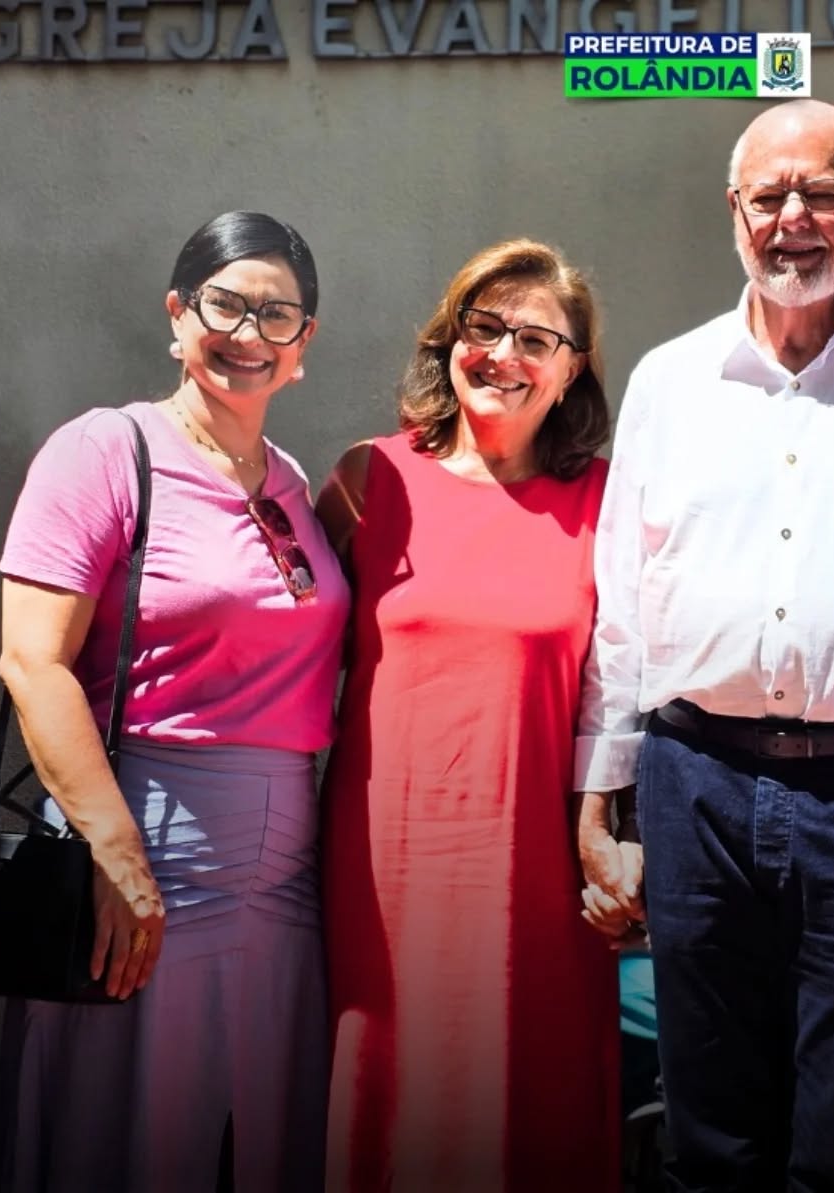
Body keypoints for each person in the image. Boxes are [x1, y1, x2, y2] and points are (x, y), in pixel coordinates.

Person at [575, 99, 834, 1192]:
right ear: (735, 209)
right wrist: (600, 799)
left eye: (821, 192)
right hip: (694, 786)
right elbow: (623, 606)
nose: (793, 219)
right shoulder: (671, 381)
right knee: (709, 1135)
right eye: (769, 196)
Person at [0, 210, 349, 1192]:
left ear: (304, 344)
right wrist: (115, 854)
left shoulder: (290, 482)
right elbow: (32, 662)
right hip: (146, 863)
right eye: (226, 305)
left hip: (285, 890)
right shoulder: (106, 450)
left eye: (277, 315)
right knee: (120, 1146)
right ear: (178, 314)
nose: (248, 334)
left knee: (266, 1150)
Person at [316, 239, 617, 1193]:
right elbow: (292, 656)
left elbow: (627, 694)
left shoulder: (607, 502)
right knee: (389, 1102)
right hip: (384, 870)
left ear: (573, 370)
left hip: (538, 874)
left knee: (527, 1108)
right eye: (484, 328)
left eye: (537, 338)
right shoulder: (367, 480)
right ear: (448, 341)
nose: (503, 355)